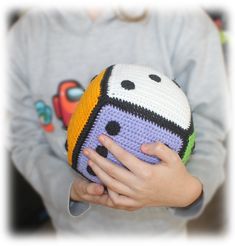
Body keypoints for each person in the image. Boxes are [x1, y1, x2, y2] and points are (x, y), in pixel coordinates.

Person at [8, 6, 229, 235]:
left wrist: (186, 192)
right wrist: (67, 187)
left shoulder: (187, 21)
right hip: (72, 232)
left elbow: (210, 129)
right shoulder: (23, 36)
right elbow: (24, 138)